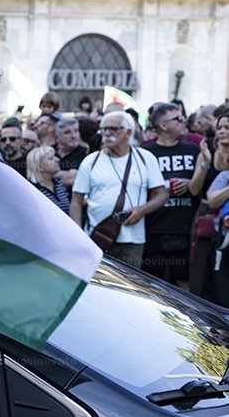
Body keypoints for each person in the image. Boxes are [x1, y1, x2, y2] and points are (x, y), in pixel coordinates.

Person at [70, 112, 168, 268]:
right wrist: (77, 235)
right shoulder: (91, 161)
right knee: (96, 281)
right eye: (104, 129)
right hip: (97, 237)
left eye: (113, 128)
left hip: (133, 240)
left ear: (128, 132)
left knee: (129, 283)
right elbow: (76, 201)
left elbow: (162, 194)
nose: (107, 133)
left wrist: (142, 210)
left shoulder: (145, 158)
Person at [143, 102, 200, 285]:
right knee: (152, 284)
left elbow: (204, 185)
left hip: (184, 228)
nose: (183, 122)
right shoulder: (145, 153)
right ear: (163, 125)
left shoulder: (193, 150)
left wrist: (191, 184)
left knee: (184, 283)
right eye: (178, 119)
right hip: (154, 228)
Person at [189, 113, 229, 300]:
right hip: (207, 216)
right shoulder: (207, 152)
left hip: (226, 220)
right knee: (201, 271)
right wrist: (205, 163)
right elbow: (194, 190)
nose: (222, 131)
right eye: (219, 127)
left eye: (227, 128)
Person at [26, 146, 70, 212]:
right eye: (51, 158)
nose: (57, 160)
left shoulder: (59, 185)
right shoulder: (33, 190)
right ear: (40, 166)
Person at [53, 118, 87, 195]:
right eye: (67, 132)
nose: (73, 136)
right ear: (57, 138)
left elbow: (73, 179)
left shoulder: (85, 153)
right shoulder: (50, 151)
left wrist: (51, 175)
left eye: (76, 131)